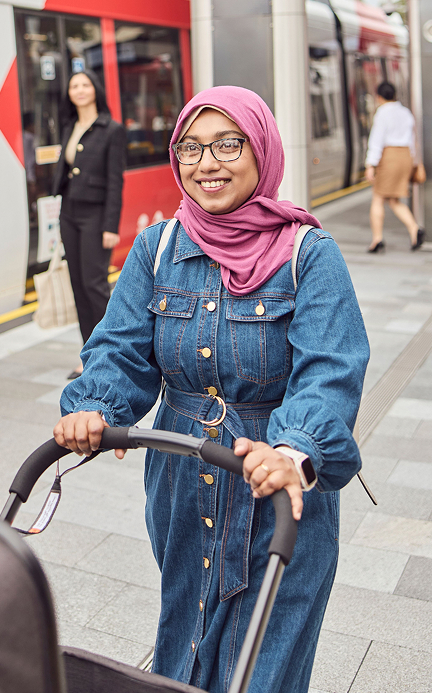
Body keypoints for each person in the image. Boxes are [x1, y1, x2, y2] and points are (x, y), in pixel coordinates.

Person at [54, 86, 369, 693]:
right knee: (187, 645)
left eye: (228, 144)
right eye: (191, 148)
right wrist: (94, 404)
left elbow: (330, 371)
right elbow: (119, 347)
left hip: (275, 492)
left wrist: (292, 451)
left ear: (262, 151)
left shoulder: (309, 255)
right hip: (181, 488)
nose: (207, 163)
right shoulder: (158, 247)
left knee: (262, 669)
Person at [51, 69, 125, 379]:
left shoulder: (112, 129)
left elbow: (115, 181)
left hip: (96, 216)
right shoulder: (70, 126)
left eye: (84, 84)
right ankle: (87, 355)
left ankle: (111, 354)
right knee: (78, 286)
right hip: (69, 213)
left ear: (95, 90)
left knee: (95, 287)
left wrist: (111, 226)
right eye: (74, 85)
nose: (79, 90)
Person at [364, 81, 424, 252]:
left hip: (389, 156)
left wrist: (370, 164)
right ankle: (415, 229)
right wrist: (413, 162)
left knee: (378, 197)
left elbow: (377, 140)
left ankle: (377, 240)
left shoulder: (382, 113)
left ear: (379, 96)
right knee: (393, 199)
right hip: (405, 155)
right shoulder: (405, 112)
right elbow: (413, 140)